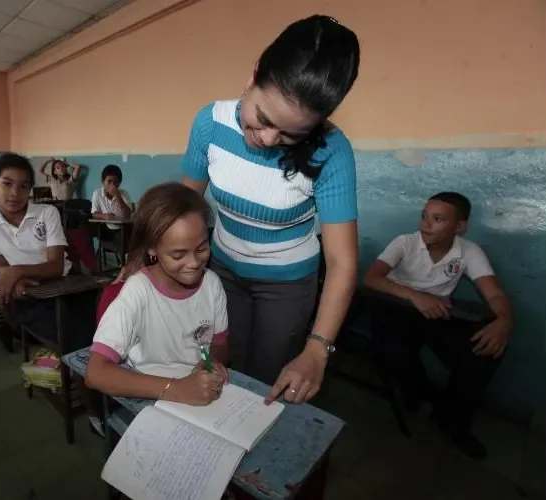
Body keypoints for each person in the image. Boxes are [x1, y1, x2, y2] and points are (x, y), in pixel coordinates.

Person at [167, 15, 361, 403]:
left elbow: (342, 263)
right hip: (223, 271)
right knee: (223, 365)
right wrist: (152, 258)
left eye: (292, 134)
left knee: (267, 381)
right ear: (254, 74)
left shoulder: (332, 152)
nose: (269, 139)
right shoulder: (210, 123)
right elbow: (183, 208)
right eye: (263, 119)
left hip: (287, 286)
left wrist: (317, 349)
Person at [362, 192, 514, 460]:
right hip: (397, 307)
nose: (425, 224)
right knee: (393, 353)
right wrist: (414, 296)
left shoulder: (468, 251)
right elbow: (372, 278)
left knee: (483, 354)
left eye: (438, 219)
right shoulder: (405, 243)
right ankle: (422, 394)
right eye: (424, 216)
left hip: (437, 312)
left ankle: (451, 421)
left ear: (459, 226)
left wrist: (504, 321)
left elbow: (494, 295)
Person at [86, 182, 229, 407]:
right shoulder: (138, 291)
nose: (194, 263)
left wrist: (208, 361)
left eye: (201, 248)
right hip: (149, 395)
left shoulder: (212, 284)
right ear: (152, 249)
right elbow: (96, 372)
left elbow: (219, 343)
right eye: (178, 254)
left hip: (196, 391)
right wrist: (176, 389)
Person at [0, 153, 94, 352]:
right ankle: (85, 374)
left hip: (66, 282)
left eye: (24, 186)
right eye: (7, 184)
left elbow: (56, 266)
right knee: (68, 334)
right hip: (26, 289)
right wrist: (14, 277)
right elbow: (1, 267)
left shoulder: (46, 213)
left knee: (98, 326)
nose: (15, 193)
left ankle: (91, 371)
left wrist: (16, 272)